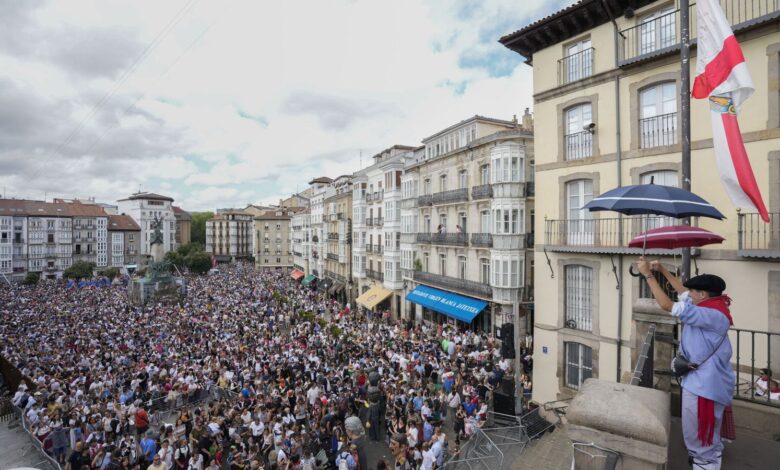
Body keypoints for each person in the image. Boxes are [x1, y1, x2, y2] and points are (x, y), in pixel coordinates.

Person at [637, 258, 734, 469]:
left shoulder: (710, 315)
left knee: (697, 430)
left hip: (704, 385)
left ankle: (704, 462)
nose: (688, 294)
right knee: (707, 431)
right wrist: (662, 269)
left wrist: (648, 275)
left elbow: (666, 305)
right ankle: (710, 454)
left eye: (693, 292)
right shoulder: (711, 305)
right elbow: (681, 292)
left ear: (703, 295)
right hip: (706, 379)